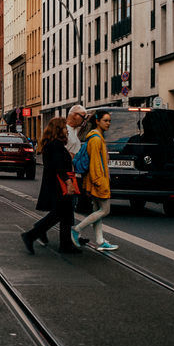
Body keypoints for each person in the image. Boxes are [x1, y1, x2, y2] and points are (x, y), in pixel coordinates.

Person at [22, 117, 81, 255]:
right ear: (59, 129)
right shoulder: (56, 145)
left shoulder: (53, 144)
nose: (67, 130)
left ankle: (64, 244)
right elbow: (59, 166)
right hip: (59, 185)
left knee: (64, 215)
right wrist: (68, 183)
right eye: (65, 128)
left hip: (55, 184)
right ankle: (32, 235)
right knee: (60, 214)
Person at [74, 109, 117, 252]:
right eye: (105, 120)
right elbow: (95, 164)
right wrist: (100, 182)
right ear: (97, 121)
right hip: (98, 181)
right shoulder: (96, 139)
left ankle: (100, 241)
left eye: (109, 120)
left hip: (96, 181)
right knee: (105, 210)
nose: (108, 123)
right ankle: (76, 229)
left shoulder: (97, 137)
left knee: (97, 210)